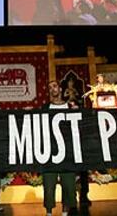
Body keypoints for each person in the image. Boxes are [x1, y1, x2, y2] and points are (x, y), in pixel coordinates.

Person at [42, 80, 77, 216]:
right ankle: (49, 213)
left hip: (67, 153)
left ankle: (64, 212)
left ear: (60, 89)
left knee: (68, 185)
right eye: (50, 87)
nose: (52, 89)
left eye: (55, 86)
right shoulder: (45, 108)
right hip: (50, 152)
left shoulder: (70, 106)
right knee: (49, 186)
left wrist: (77, 111)